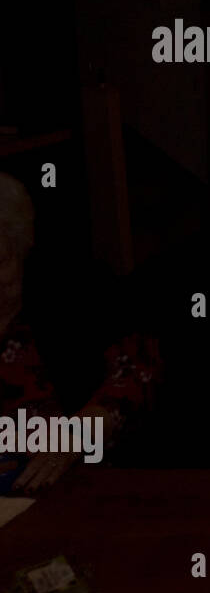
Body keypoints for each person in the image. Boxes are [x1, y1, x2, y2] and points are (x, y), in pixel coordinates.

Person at [0, 173, 163, 492]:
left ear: (21, 249)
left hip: (75, 485)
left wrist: (81, 431)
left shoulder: (73, 292)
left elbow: (142, 366)